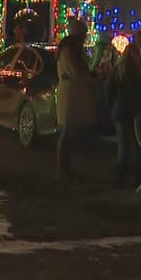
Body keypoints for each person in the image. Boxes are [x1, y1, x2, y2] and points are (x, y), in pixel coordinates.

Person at [107, 32, 141, 187]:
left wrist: (111, 105)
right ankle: (136, 176)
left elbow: (108, 90)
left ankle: (121, 176)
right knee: (137, 145)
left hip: (122, 111)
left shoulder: (118, 71)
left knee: (124, 146)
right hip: (137, 113)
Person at [56, 18, 95, 179]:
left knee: (69, 131)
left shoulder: (71, 49)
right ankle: (62, 168)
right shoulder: (69, 51)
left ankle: (65, 167)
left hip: (73, 91)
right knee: (67, 131)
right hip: (71, 92)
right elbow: (76, 72)